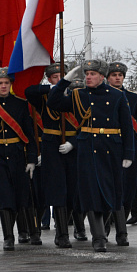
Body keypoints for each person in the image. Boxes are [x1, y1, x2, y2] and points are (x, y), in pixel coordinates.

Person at [48, 59, 134, 252]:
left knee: (111, 193)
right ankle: (99, 238)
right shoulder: (78, 95)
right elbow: (52, 102)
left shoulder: (116, 95)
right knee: (91, 193)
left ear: (102, 77)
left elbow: (127, 126)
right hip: (87, 150)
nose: (88, 77)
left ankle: (108, 231)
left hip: (111, 149)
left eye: (93, 74)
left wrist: (129, 153)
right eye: (86, 74)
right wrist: (64, 82)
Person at [0, 67, 39, 251]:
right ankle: (8, 237)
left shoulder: (20, 104)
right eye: (0, 83)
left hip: (17, 154)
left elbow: (29, 134)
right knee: (4, 196)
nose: (3, 86)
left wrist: (31, 159)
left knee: (21, 195)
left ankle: (24, 231)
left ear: (10, 84)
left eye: (6, 83)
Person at [25, 63, 79, 248]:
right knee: (57, 190)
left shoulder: (76, 97)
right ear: (49, 79)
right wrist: (54, 88)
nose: (59, 80)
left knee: (72, 191)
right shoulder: (45, 97)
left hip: (72, 147)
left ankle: (66, 225)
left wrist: (74, 142)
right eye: (55, 77)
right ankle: (62, 234)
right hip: (51, 147)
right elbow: (29, 91)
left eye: (62, 76)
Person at [106, 62, 137, 226]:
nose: (117, 78)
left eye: (120, 75)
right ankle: (109, 220)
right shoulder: (101, 96)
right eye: (114, 75)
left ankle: (121, 223)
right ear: (108, 77)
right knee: (109, 187)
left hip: (130, 150)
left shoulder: (133, 98)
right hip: (108, 148)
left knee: (129, 189)